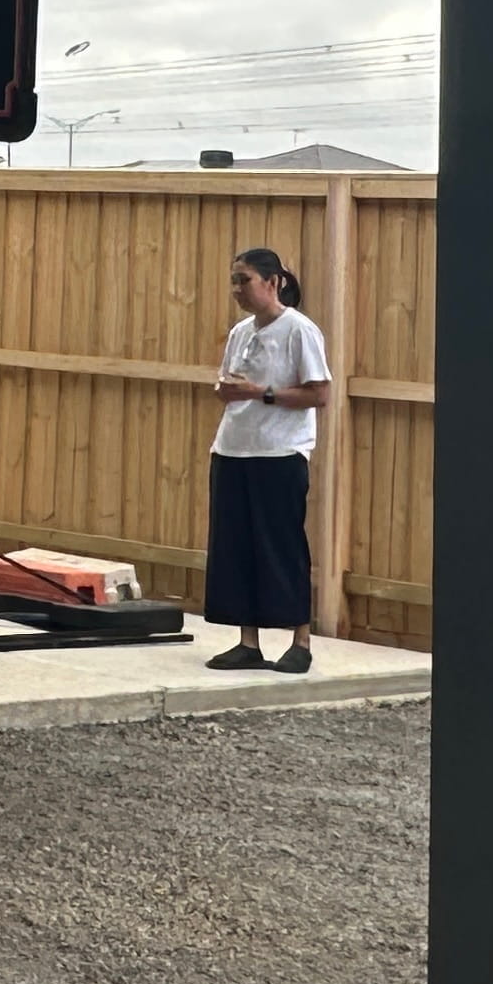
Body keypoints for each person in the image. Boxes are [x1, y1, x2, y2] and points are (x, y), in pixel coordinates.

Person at [204, 245, 329, 673]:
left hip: (278, 452)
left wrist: (261, 393)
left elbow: (319, 393)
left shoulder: (299, 330)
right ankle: (248, 641)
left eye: (246, 280)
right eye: (234, 280)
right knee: (236, 547)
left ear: (273, 282)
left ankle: (300, 640)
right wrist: (228, 391)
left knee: (282, 546)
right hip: (233, 448)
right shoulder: (241, 332)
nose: (237, 289)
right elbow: (230, 385)